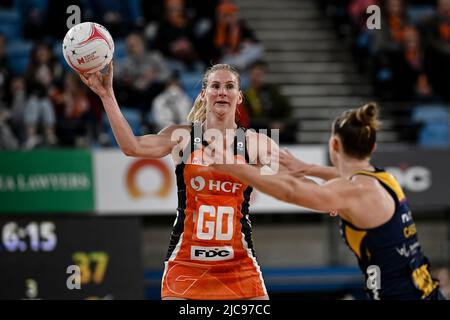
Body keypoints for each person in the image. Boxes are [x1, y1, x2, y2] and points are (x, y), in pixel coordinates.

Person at [79, 62, 276, 300]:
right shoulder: (182, 137)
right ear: (203, 95)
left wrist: (324, 196)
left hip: (239, 265)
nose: (222, 92)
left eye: (229, 86)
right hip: (186, 265)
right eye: (215, 86)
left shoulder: (257, 143)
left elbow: (289, 179)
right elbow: (132, 146)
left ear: (239, 96)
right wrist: (106, 95)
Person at [208, 102, 445, 300]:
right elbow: (345, 176)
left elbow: (290, 191)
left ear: (334, 144)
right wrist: (307, 168)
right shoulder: (383, 178)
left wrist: (233, 166)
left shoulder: (354, 193)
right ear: (372, 147)